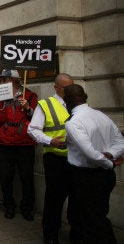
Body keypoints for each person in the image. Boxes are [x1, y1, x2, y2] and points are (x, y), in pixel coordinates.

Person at [63, 84, 124, 244]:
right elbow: (119, 142)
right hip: (102, 176)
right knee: (80, 215)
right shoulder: (101, 115)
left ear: (66, 101)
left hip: (86, 177)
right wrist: (110, 155)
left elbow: (90, 154)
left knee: (93, 219)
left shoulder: (73, 122)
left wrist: (109, 162)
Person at [27, 73, 79, 243]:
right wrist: (51, 141)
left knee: (77, 199)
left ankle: (76, 233)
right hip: (56, 159)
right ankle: (50, 235)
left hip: (77, 159)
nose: (70, 91)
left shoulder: (78, 104)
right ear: (56, 87)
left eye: (72, 86)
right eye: (66, 88)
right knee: (54, 200)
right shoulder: (46, 104)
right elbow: (33, 130)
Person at [0, 69, 38, 221]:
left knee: (26, 177)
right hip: (6, 142)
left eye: (6, 80)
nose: (3, 82)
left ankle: (27, 207)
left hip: (24, 142)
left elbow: (37, 118)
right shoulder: (1, 97)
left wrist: (28, 108)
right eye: (2, 79)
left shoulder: (29, 95)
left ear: (15, 81)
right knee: (6, 177)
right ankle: (9, 206)